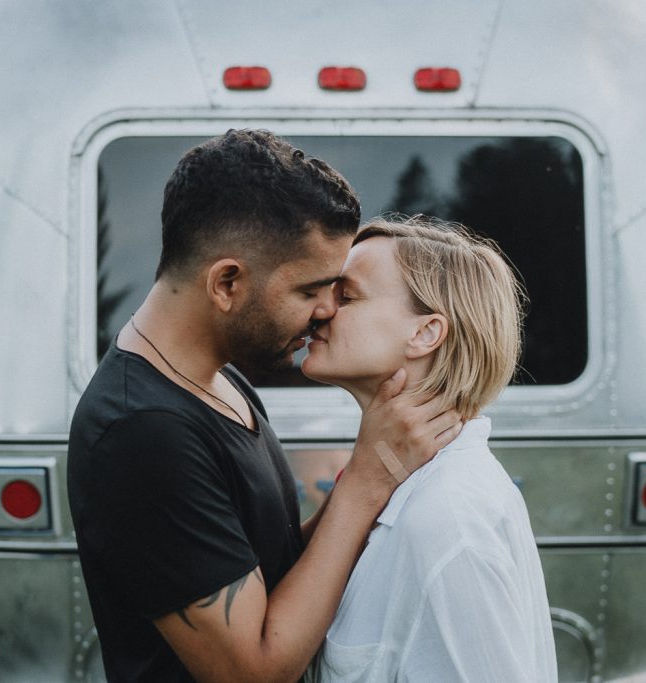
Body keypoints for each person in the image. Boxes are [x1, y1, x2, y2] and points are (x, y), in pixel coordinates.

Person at [67, 130, 462, 683]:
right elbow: (253, 671)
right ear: (227, 283)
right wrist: (366, 480)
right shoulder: (143, 430)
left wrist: (379, 467)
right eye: (309, 291)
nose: (327, 310)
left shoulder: (220, 378)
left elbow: (265, 571)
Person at [302, 215, 558, 682]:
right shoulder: (402, 485)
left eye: (346, 295)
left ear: (424, 334)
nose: (320, 309)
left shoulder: (447, 519)